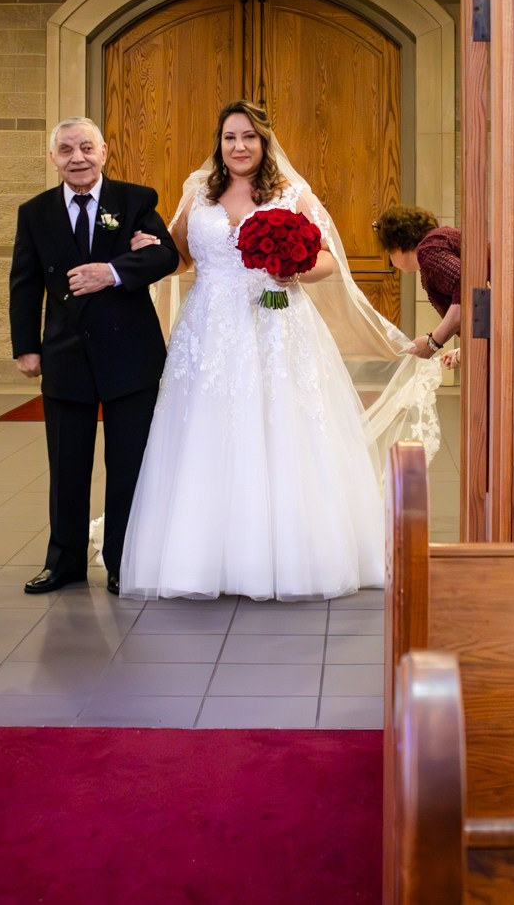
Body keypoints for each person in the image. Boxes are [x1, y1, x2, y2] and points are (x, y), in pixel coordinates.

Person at [116, 101, 437, 602]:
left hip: (275, 318)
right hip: (209, 326)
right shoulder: (199, 193)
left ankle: (291, 555)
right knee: (205, 428)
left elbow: (329, 259)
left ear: (264, 143)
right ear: (219, 144)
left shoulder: (291, 193)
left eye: (248, 137)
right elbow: (178, 257)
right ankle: (201, 558)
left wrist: (295, 270)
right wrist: (146, 250)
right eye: (229, 138)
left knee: (279, 425)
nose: (238, 146)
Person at [8, 117, 180, 596]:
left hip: (130, 356)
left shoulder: (135, 200)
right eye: (66, 150)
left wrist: (114, 270)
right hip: (65, 355)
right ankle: (63, 563)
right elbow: (23, 283)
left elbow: (166, 255)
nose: (77, 157)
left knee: (128, 466)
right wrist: (26, 346)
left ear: (104, 151)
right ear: (53, 158)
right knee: (66, 467)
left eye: (86, 147)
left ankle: (123, 560)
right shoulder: (35, 212)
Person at [373, 204, 463, 368]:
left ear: (397, 246)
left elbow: (466, 290)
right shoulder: (438, 242)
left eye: (389, 253)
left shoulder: (429, 251)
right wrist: (459, 354)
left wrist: (433, 342)